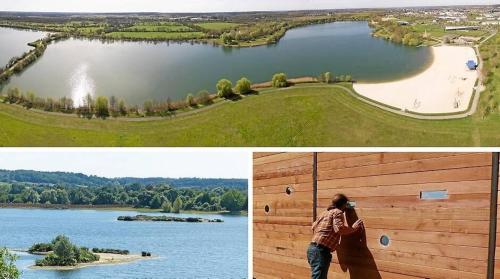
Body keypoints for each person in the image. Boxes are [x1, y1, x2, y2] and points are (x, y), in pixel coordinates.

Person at [307, 194, 364, 279]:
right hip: (320, 251)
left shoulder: (324, 213)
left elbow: (313, 227)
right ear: (344, 204)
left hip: (312, 249)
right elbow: (339, 229)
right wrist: (353, 228)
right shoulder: (338, 212)